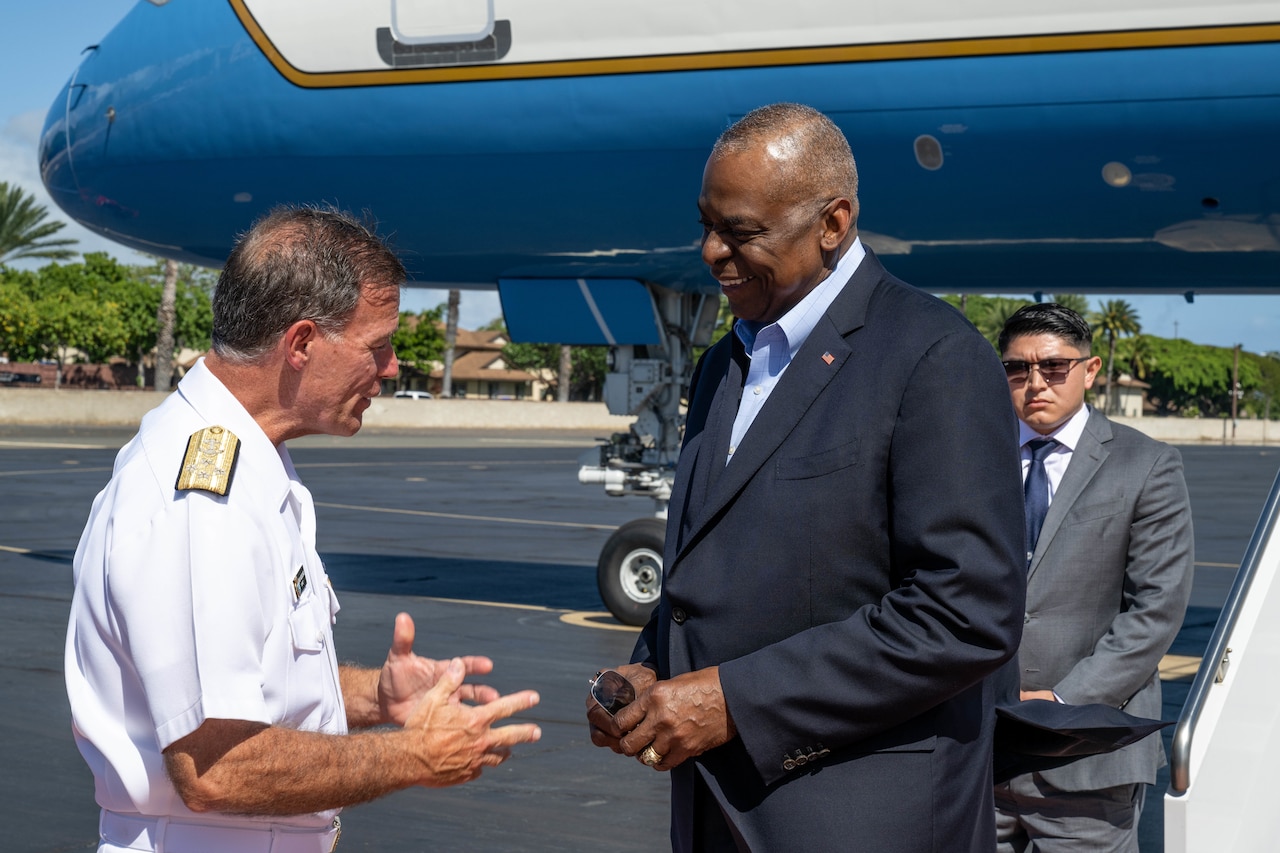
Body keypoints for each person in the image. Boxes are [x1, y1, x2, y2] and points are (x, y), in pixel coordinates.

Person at [587, 102, 1027, 851]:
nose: (712, 252)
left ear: (834, 223)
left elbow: (966, 610)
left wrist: (734, 701)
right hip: (720, 811)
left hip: (862, 820)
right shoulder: (727, 362)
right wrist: (650, 672)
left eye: (742, 232)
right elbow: (717, 568)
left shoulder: (932, 357)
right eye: (707, 224)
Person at [65, 206, 543, 853]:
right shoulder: (206, 500)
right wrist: (414, 755)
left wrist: (375, 694)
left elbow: (252, 684)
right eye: (377, 345)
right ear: (300, 344)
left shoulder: (252, 462)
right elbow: (216, 764)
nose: (394, 365)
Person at [993, 303, 1194, 851]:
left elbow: (1155, 610)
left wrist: (1062, 704)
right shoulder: (970, 456)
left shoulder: (1146, 464)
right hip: (976, 747)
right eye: (1017, 369)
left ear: (1090, 369)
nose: (1035, 382)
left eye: (1054, 367)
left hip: (1088, 752)